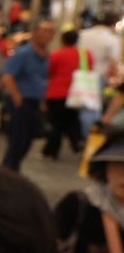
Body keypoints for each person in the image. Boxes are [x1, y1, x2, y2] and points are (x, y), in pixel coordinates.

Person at [0, 19, 55, 170]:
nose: (48, 35)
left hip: (35, 101)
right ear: (35, 33)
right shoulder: (23, 53)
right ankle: (8, 171)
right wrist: (16, 97)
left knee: (28, 139)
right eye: (45, 31)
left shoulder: (46, 55)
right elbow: (8, 76)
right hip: (22, 101)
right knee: (17, 140)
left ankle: (12, 169)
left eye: (51, 32)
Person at [44, 29, 87, 159]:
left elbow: (49, 72)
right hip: (77, 93)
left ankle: (51, 151)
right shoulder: (85, 55)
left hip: (57, 92)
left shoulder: (56, 55)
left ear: (62, 40)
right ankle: (78, 143)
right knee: (73, 120)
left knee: (56, 122)